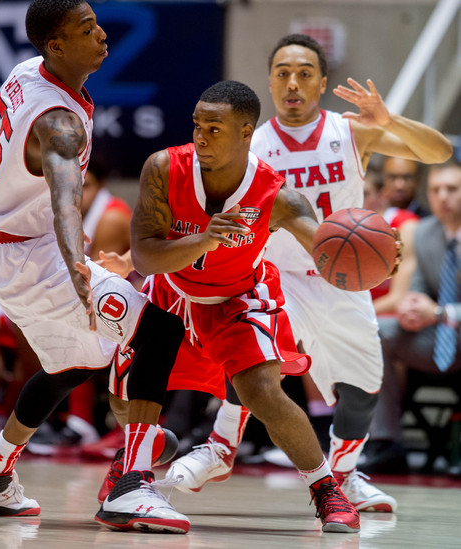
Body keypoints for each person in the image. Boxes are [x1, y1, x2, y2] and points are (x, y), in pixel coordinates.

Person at [163, 34, 452, 513]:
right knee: (257, 361)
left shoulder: (352, 131)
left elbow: (439, 151)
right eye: (282, 72)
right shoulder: (250, 142)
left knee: (364, 388)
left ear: (321, 82)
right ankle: (219, 448)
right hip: (277, 276)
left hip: (344, 279)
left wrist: (388, 120)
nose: (292, 83)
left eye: (303, 73)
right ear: (271, 82)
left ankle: (343, 477)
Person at [0, 0, 190, 534]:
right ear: (57, 46)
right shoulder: (62, 124)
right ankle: (132, 485)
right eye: (87, 29)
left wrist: (12, 186)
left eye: (97, 22)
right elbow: (68, 202)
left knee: (75, 364)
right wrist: (76, 264)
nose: (103, 34)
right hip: (31, 254)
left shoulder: (23, 75)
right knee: (156, 326)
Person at [109, 79, 362, 533]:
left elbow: (328, 253)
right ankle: (137, 456)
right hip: (173, 291)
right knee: (122, 393)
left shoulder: (276, 196)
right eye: (197, 125)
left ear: (247, 133)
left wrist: (371, 259)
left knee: (261, 391)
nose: (200, 137)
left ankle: (326, 489)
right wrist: (205, 238)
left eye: (214, 128)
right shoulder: (164, 168)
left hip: (240, 297)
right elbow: (146, 256)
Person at [366, 159, 461, 473]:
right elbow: (416, 288)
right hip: (436, 337)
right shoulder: (424, 233)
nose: (443, 196)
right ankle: (386, 442)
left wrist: (437, 312)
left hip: (452, 328)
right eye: (436, 189)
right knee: (379, 331)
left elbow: (437, 309)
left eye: (452, 188)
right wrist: (411, 309)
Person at [363, 163, 420, 315]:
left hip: (391, 318)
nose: (358, 200)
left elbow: (399, 297)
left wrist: (355, 317)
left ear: (382, 195)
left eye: (365, 194)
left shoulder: (405, 225)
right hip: (360, 313)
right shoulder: (343, 228)